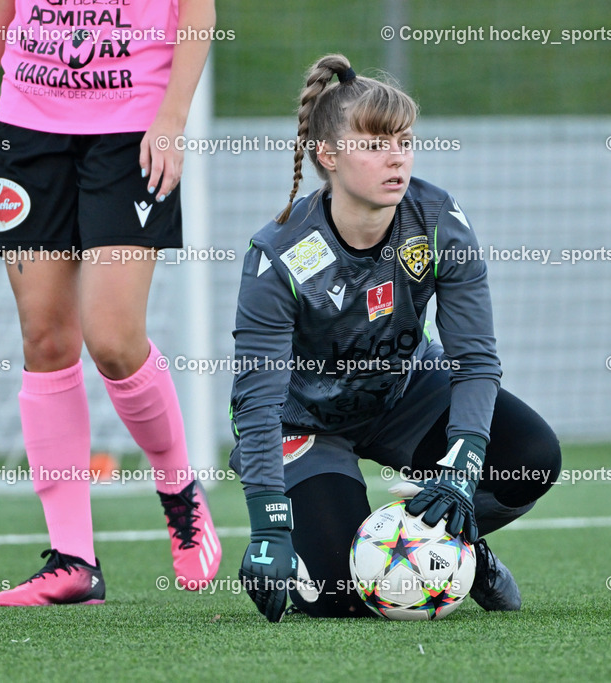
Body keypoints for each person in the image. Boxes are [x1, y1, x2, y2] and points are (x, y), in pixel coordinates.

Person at [230, 54, 562, 621]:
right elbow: (256, 401)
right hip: (304, 422)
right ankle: (339, 544)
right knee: (341, 595)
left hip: (404, 396)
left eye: (404, 141)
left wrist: (460, 473)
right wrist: (268, 526)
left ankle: (456, 546)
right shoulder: (278, 254)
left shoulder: (438, 221)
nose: (396, 157)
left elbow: (475, 361)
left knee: (531, 458)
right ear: (328, 155)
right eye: (374, 144)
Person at [0, 0, 221, 605]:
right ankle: (73, 559)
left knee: (113, 340)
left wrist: (173, 117)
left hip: (133, 128)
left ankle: (179, 493)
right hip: (28, 127)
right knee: (45, 340)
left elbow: (198, 11)